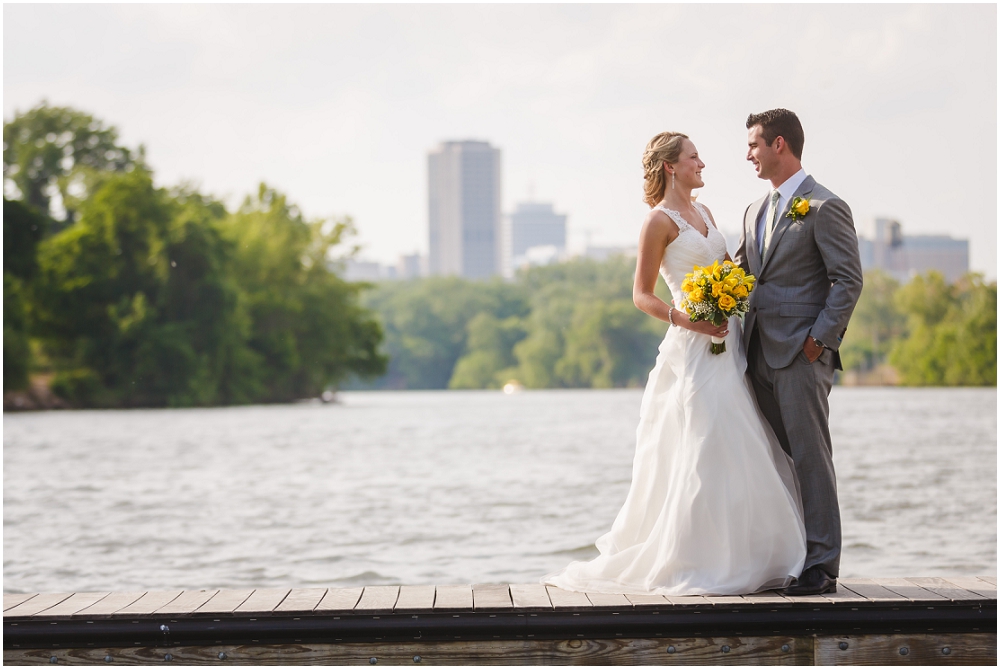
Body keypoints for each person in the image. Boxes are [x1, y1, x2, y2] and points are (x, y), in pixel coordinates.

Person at [542, 131, 807, 596]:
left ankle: (756, 555)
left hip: (729, 340)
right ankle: (697, 558)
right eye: (693, 157)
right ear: (671, 166)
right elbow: (641, 294)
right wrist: (687, 318)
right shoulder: (657, 222)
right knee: (705, 442)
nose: (702, 163)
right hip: (693, 345)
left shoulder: (704, 213)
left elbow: (731, 269)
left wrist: (739, 292)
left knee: (743, 438)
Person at [735, 109, 863, 596]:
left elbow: (847, 280)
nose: (748, 154)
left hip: (802, 356)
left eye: (753, 145)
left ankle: (822, 567)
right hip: (755, 355)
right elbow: (745, 277)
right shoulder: (754, 211)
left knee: (810, 457)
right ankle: (786, 554)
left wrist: (819, 341)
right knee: (771, 457)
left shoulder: (825, 206)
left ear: (780, 144)